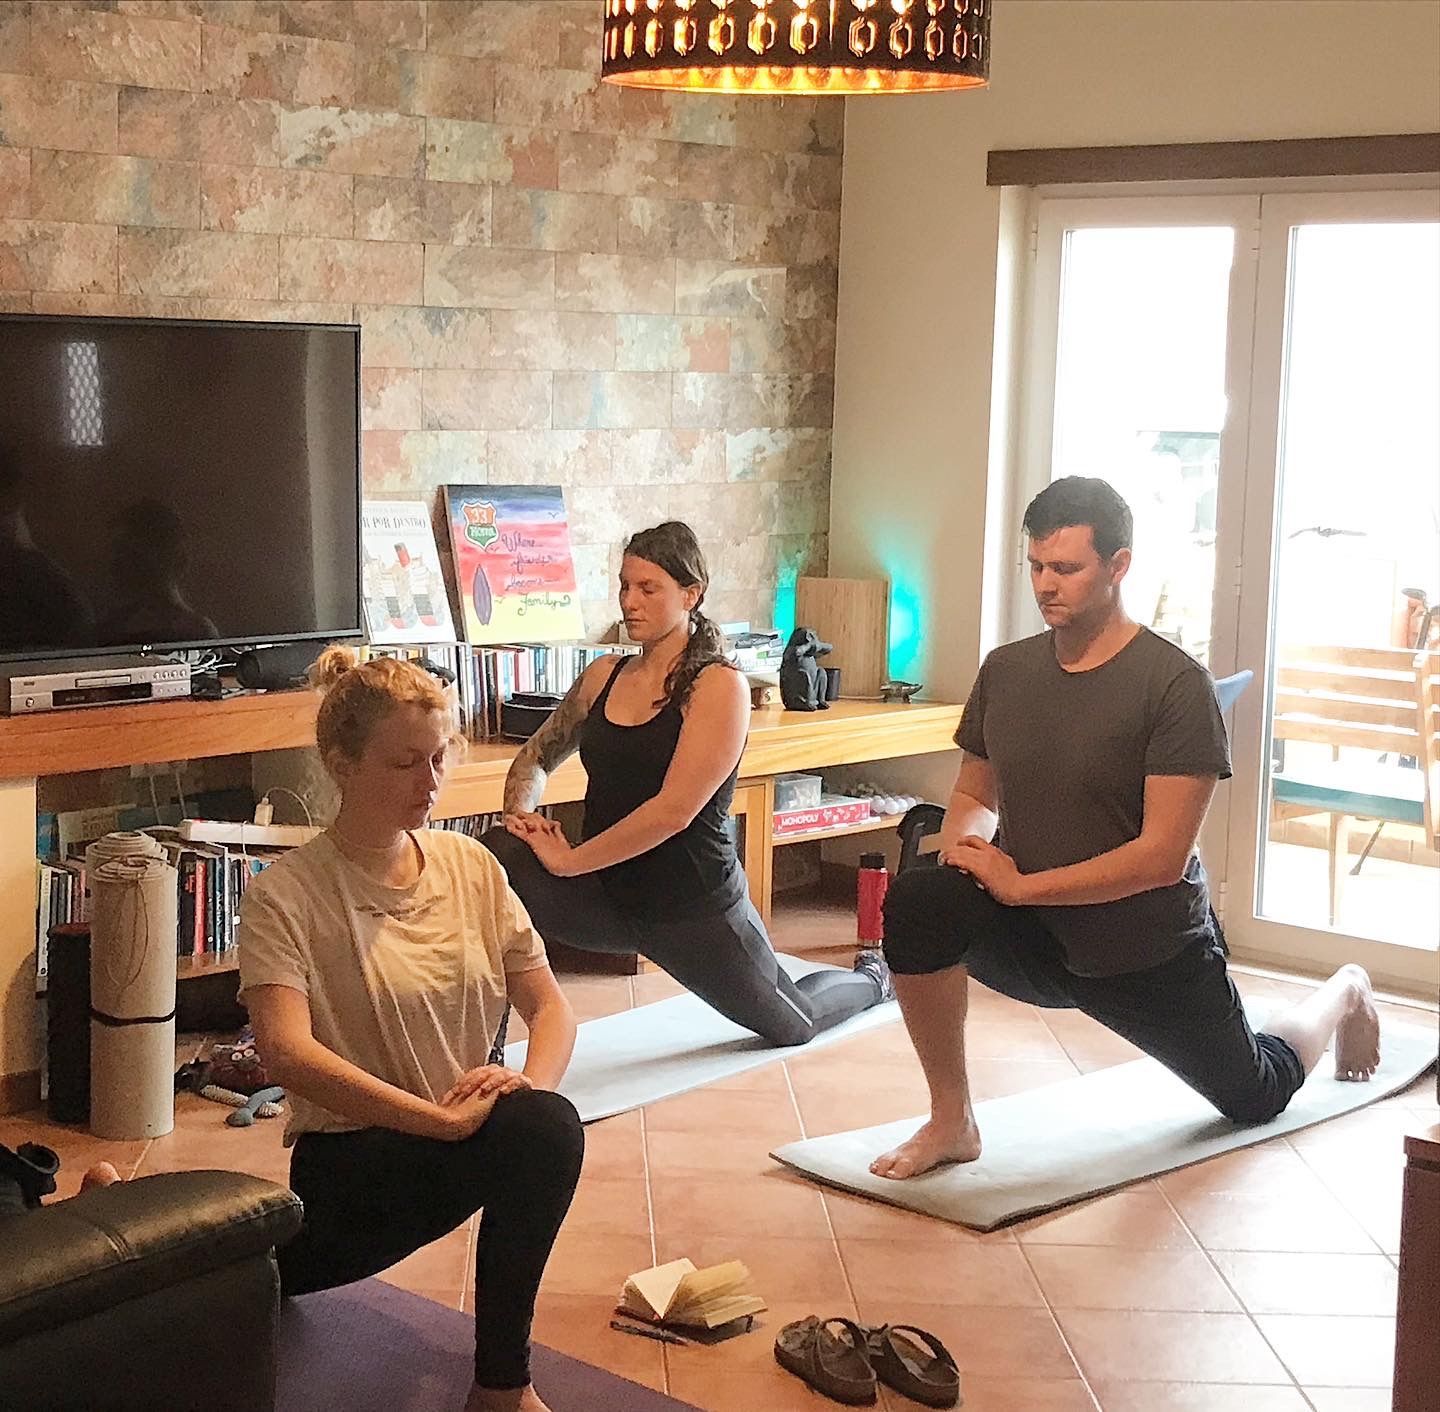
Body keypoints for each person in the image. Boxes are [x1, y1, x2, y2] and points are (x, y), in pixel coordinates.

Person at [871, 477, 1382, 1181]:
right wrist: (968, 849)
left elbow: (1160, 858)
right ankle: (952, 1119)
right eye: (1036, 567)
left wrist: (1021, 886)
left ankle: (1345, 990)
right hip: (1037, 937)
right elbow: (973, 788)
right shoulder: (1008, 670)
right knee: (921, 899)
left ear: (1119, 566)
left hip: (1143, 950)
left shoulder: (1175, 686)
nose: (1046, 586)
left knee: (1256, 1093)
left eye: (1067, 569)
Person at [238, 648, 581, 1412]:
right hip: (354, 1169)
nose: (429, 783)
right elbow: (285, 1052)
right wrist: (437, 1123)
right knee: (228, 1277)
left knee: (545, 1126)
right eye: (403, 764)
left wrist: (524, 1088)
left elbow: (551, 1007)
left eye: (438, 759)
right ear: (341, 763)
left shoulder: (472, 865)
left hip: (455, 1132)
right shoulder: (285, 896)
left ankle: (502, 1389)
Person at [482, 520, 892, 1047]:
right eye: (625, 586)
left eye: (648, 588)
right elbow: (535, 758)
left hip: (690, 908)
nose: (630, 600)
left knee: (796, 1023)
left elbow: (672, 811)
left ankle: (871, 980)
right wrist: (522, 818)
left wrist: (569, 860)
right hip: (606, 896)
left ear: (690, 594)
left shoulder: (719, 686)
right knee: (494, 861)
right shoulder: (602, 676)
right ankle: (488, 1048)